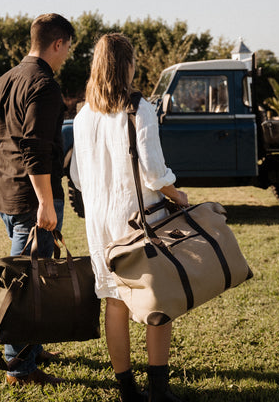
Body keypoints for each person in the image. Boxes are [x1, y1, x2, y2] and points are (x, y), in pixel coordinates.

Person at [70, 34, 189, 402]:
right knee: (159, 302)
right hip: (138, 220)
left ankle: (127, 391)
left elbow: (76, 176)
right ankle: (158, 390)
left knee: (115, 302)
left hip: (100, 224)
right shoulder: (139, 107)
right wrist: (176, 193)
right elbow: (154, 171)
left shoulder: (82, 114)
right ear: (128, 65)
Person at [0, 12, 75, 387]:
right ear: (57, 43)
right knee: (25, 283)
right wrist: (46, 202)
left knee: (32, 278)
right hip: (32, 200)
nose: (67, 55)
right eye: (68, 48)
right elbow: (35, 147)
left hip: (7, 195)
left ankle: (31, 350)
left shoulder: (4, 79)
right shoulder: (44, 85)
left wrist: (3, 177)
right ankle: (19, 367)